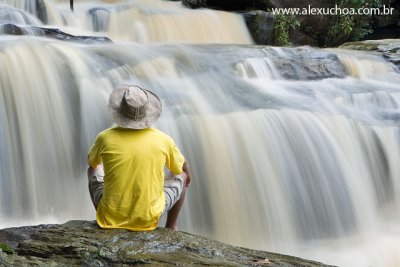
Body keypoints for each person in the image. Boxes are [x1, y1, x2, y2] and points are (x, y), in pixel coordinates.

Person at [87, 84, 191, 231]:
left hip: (111, 216)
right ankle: (171, 226)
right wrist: (187, 173)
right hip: (148, 217)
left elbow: (92, 163)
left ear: (119, 110)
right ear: (147, 112)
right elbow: (180, 168)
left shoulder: (104, 138)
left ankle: (103, 215)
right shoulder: (164, 140)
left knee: (93, 169)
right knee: (182, 174)